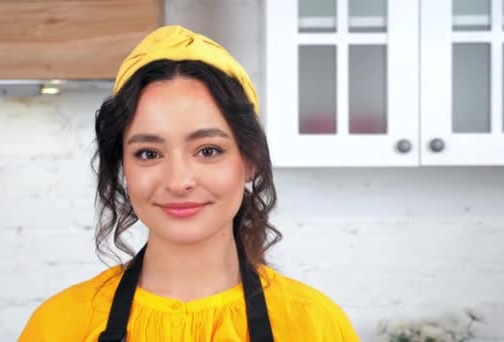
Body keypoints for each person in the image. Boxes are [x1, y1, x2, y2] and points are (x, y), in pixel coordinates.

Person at [19, 25, 359, 341]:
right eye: (149, 153)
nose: (178, 180)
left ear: (250, 160)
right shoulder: (58, 326)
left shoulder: (316, 326)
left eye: (208, 150)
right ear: (123, 165)